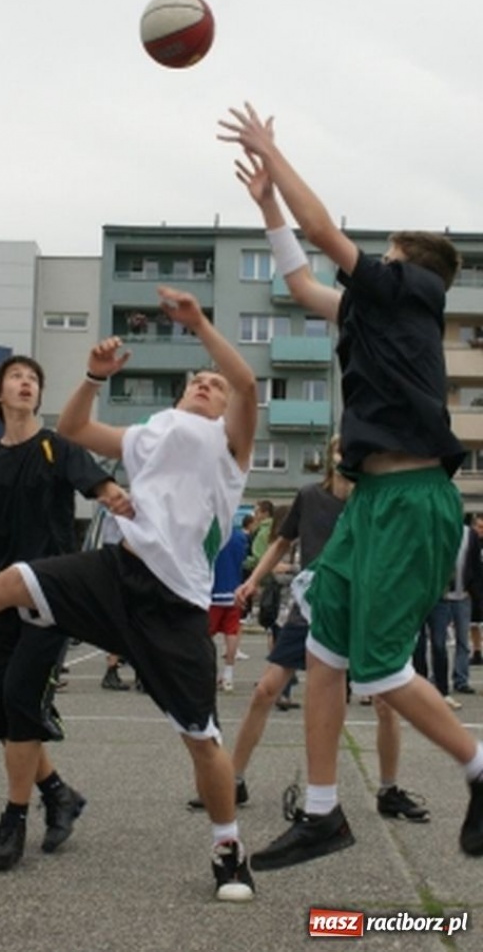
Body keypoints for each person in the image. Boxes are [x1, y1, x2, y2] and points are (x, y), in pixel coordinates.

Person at [0, 285, 259, 902]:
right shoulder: (151, 433)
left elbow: (245, 384)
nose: (206, 383)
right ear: (177, 395)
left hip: (176, 602)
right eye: (199, 380)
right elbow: (79, 426)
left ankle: (228, 850)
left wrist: (197, 323)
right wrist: (92, 375)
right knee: (9, 582)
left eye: (213, 384)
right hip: (118, 570)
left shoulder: (229, 445)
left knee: (201, 736)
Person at [218, 102, 483, 869]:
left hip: (412, 502)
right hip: (371, 503)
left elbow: (326, 236)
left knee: (379, 668)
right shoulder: (371, 314)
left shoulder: (412, 295)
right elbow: (302, 281)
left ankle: (476, 767)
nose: (372, 260)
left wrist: (274, 149)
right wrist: (267, 202)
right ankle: (324, 812)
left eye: (385, 254)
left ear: (407, 268)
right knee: (326, 651)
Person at [0, 354, 131, 870]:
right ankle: (59, 793)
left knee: (21, 698)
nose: (26, 384)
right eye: (17, 377)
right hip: (2, 598)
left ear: (38, 396)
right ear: (0, 393)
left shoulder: (56, 446)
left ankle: (13, 821)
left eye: (34, 379)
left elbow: (100, 486)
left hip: (52, 597)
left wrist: (118, 498)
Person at [231, 435, 429, 822]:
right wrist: (254, 580)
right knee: (265, 690)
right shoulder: (309, 496)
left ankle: (388, 790)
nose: (347, 457)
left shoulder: (375, 499)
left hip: (366, 610)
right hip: (312, 607)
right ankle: (232, 779)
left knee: (386, 703)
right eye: (342, 450)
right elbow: (280, 544)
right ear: (330, 457)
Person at [414, 522, 483, 706]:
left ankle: (443, 690)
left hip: (441, 597)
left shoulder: (454, 536)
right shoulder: (421, 534)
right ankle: (420, 687)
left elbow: (462, 565)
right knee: (419, 645)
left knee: (440, 643)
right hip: (419, 598)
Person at [209, 523, 249, 694]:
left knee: (205, 635)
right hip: (234, 590)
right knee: (231, 633)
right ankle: (228, 676)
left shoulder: (211, 535)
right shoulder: (240, 536)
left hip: (213, 591)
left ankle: (209, 673)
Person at [468, 514, 483, 665]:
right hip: (476, 588)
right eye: (479, 527)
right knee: (474, 623)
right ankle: (477, 651)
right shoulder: (470, 544)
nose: (481, 530)